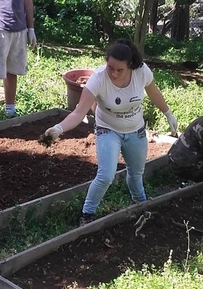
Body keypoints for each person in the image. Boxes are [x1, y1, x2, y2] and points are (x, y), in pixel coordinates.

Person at [44, 38, 178, 226]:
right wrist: (59, 128)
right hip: (108, 129)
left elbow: (153, 91)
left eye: (120, 70)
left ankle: (141, 205)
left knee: (136, 173)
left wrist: (168, 113)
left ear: (130, 65)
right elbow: (78, 111)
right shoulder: (98, 79)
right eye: (110, 67)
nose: (114, 73)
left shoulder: (141, 72)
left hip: (136, 131)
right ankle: (87, 214)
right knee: (106, 175)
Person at [0, 0, 36, 121]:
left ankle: (10, 110)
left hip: (19, 29)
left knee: (12, 71)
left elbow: (28, 2)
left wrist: (31, 28)